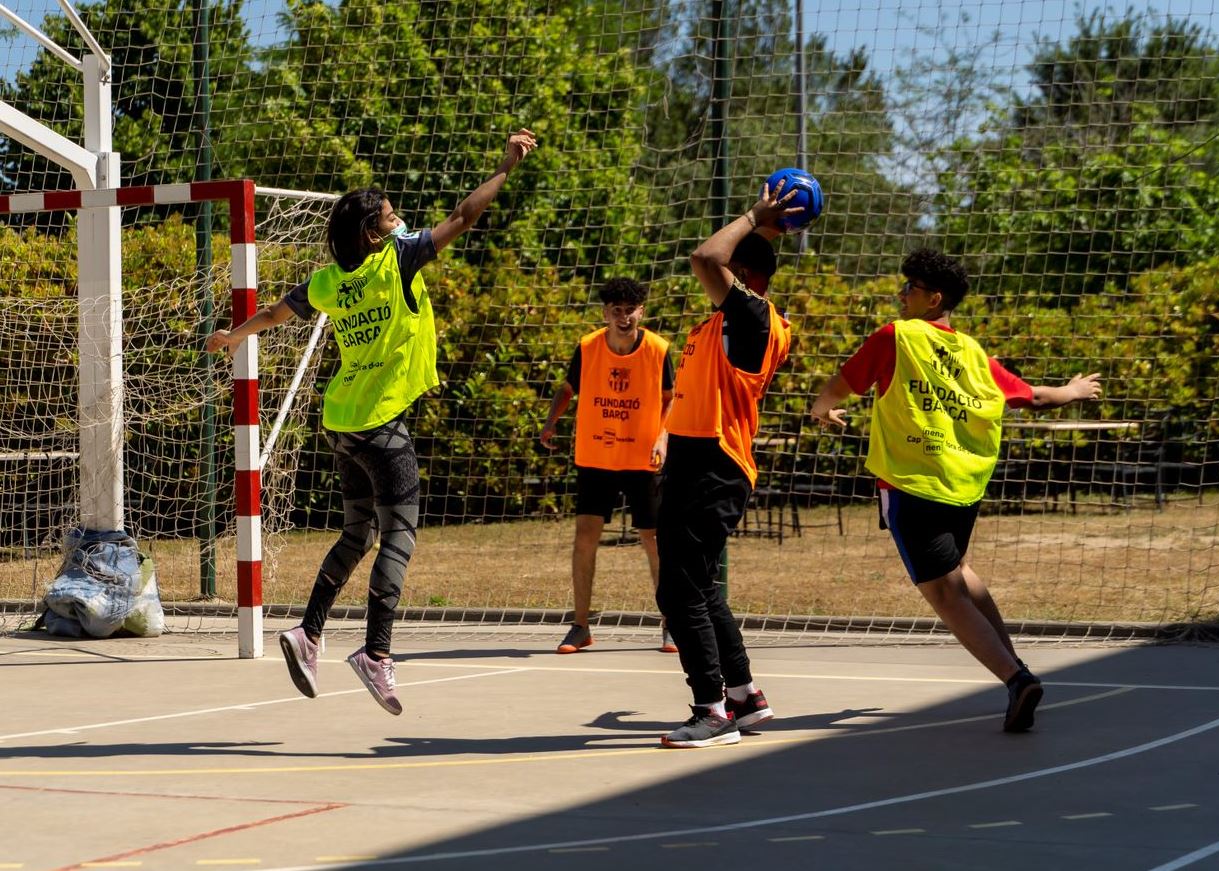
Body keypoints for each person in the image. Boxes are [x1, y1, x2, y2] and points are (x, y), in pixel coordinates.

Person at [205, 129, 538, 715]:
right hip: (381, 427)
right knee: (399, 538)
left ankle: (308, 634)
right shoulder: (399, 260)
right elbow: (464, 214)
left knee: (357, 533)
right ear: (373, 231)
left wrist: (235, 335)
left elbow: (279, 312)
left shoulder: (331, 281)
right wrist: (506, 167)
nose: (399, 217)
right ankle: (376, 654)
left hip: (342, 422)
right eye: (391, 214)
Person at [809, 248, 1102, 732]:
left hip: (912, 484)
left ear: (933, 298)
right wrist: (1072, 391)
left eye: (910, 288)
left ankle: (1015, 678)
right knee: (960, 574)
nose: (901, 294)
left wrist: (822, 408)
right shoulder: (971, 352)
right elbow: (1031, 397)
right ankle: (1016, 666)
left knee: (943, 594)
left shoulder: (897, 337)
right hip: (963, 489)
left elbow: (843, 383)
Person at [654, 182, 800, 748]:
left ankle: (710, 712)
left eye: (731, 266)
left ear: (743, 273)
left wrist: (753, 216)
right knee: (702, 586)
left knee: (679, 591)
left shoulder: (753, 315)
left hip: (714, 462)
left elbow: (704, 256)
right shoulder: (723, 322)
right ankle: (742, 695)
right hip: (696, 457)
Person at [539, 278, 676, 655]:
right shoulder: (588, 347)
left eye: (629, 310)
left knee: (653, 541)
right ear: (605, 314)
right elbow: (567, 388)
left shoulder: (658, 350)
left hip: (641, 458)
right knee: (585, 539)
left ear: (641, 313)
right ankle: (580, 625)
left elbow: (671, 399)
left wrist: (663, 437)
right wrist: (551, 422)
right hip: (596, 455)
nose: (623, 316)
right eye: (616, 310)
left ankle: (671, 623)